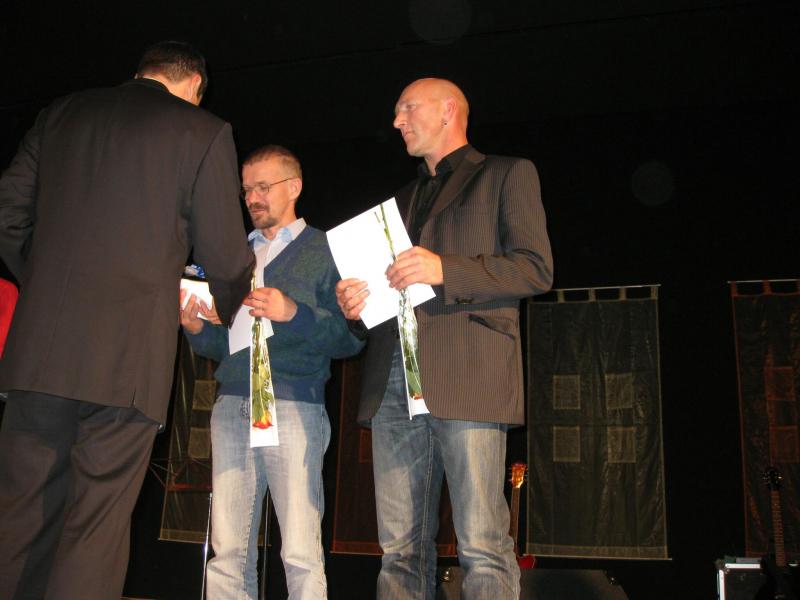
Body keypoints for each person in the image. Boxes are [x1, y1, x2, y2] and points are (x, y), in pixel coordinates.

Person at [0, 41, 255, 599]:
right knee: (95, 526)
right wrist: (226, 304)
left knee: (18, 518)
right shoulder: (202, 131)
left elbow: (8, 214)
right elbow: (227, 256)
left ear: (142, 72)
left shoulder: (61, 113)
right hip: (127, 362)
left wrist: (45, 287)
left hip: (39, 354)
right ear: (194, 86)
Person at [335, 78, 553, 600]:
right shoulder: (399, 200)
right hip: (393, 383)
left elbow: (535, 269)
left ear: (449, 110)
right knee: (399, 550)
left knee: (482, 542)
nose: (397, 121)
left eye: (407, 108)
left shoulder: (507, 173)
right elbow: (389, 293)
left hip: (467, 373)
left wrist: (445, 269)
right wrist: (356, 308)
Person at [180, 144, 364, 600]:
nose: (252, 198)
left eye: (263, 187)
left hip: (294, 404)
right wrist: (197, 328)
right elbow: (224, 346)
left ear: (294, 187)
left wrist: (293, 312)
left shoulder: (327, 250)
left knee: (300, 551)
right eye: (246, 190)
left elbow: (350, 339)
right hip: (232, 404)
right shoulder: (232, 255)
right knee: (227, 551)